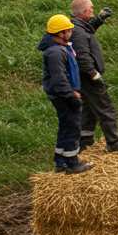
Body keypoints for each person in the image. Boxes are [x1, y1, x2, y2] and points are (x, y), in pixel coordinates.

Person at [69, 0, 118, 153]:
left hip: (82, 77)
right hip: (87, 77)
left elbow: (87, 30)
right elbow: (82, 56)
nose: (93, 11)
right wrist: (94, 75)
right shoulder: (78, 32)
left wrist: (99, 20)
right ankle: (115, 142)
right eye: (92, 9)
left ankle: (84, 140)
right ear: (85, 11)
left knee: (89, 107)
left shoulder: (77, 26)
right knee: (105, 107)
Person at [40, 14, 91, 174]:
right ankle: (72, 163)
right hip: (64, 95)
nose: (71, 33)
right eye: (68, 30)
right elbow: (59, 79)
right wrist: (71, 95)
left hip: (64, 93)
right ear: (61, 33)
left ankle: (60, 161)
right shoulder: (55, 53)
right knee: (72, 128)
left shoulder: (61, 47)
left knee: (65, 126)